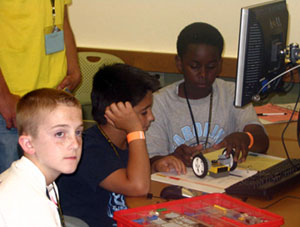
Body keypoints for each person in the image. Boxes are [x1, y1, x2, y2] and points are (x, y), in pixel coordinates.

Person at [147, 22, 269, 175]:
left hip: (225, 182)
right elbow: (150, 161)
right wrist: (172, 157)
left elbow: (261, 140)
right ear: (179, 63)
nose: (203, 74)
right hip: (178, 185)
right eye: (194, 66)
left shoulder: (231, 94)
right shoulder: (158, 103)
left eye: (211, 67)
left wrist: (245, 138)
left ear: (220, 65)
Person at [57, 63, 161, 227]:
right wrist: (135, 130)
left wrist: (156, 166)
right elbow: (138, 187)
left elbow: (129, 175)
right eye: (144, 112)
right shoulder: (89, 149)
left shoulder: (125, 143)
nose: (152, 117)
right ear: (116, 113)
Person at [0, 0, 81, 173]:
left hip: (54, 96)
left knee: (46, 187)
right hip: (12, 102)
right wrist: (3, 96)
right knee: (11, 189)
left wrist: (74, 67)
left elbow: (62, 19)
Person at [0, 88, 84, 227]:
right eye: (59, 134)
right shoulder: (31, 206)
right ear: (28, 144)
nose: (75, 144)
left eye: (78, 132)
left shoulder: (33, 178)